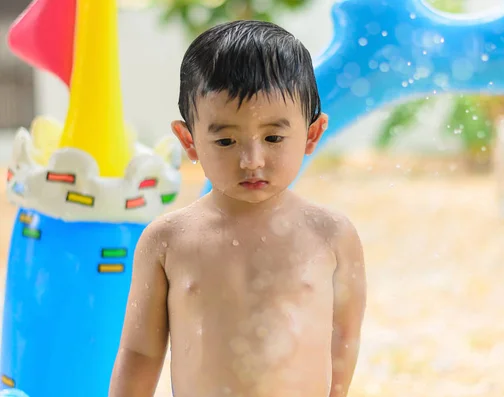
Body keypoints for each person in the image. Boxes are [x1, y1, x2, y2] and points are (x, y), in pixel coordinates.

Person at [109, 20, 367, 397]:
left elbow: (345, 337)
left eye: (273, 137)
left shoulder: (331, 234)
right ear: (189, 140)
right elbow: (140, 351)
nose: (251, 160)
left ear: (312, 134)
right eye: (226, 140)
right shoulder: (167, 241)